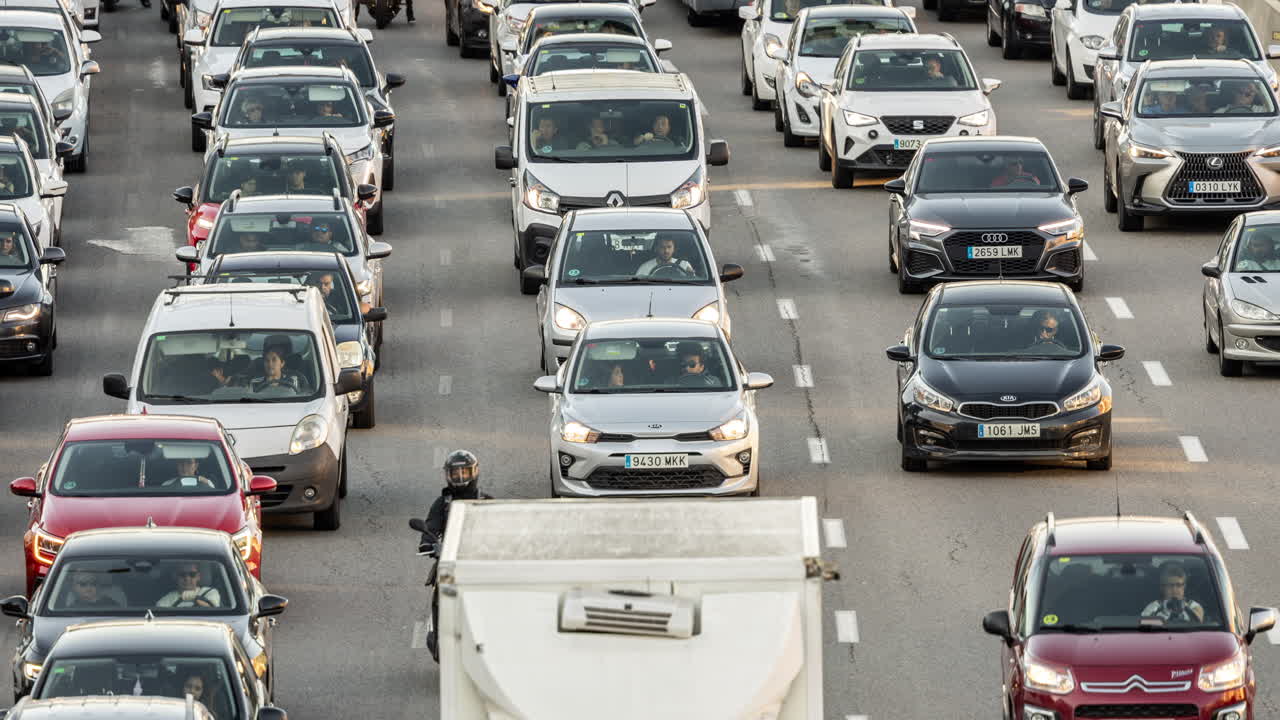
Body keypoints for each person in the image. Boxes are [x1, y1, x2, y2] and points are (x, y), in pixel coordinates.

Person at [419, 450, 490, 661]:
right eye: (455, 474)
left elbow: (502, 528)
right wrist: (428, 543)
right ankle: (439, 634)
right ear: (448, 475)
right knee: (439, 589)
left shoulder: (486, 501)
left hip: (480, 563)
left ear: (474, 473)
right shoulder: (442, 504)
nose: (460, 478)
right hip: (450, 562)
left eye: (464, 473)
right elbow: (429, 527)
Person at [1141, 563, 1205, 624]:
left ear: (1184, 586)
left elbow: (1198, 624)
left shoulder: (1194, 606)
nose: (1174, 589)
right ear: (1162, 588)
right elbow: (1144, 625)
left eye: (1178, 585)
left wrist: (1185, 608)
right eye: (1170, 585)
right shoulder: (1153, 607)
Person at [155, 563, 222, 609]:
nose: (187, 578)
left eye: (192, 574)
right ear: (175, 577)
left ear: (198, 577)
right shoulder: (166, 600)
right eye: (182, 574)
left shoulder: (210, 592)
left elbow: (212, 611)